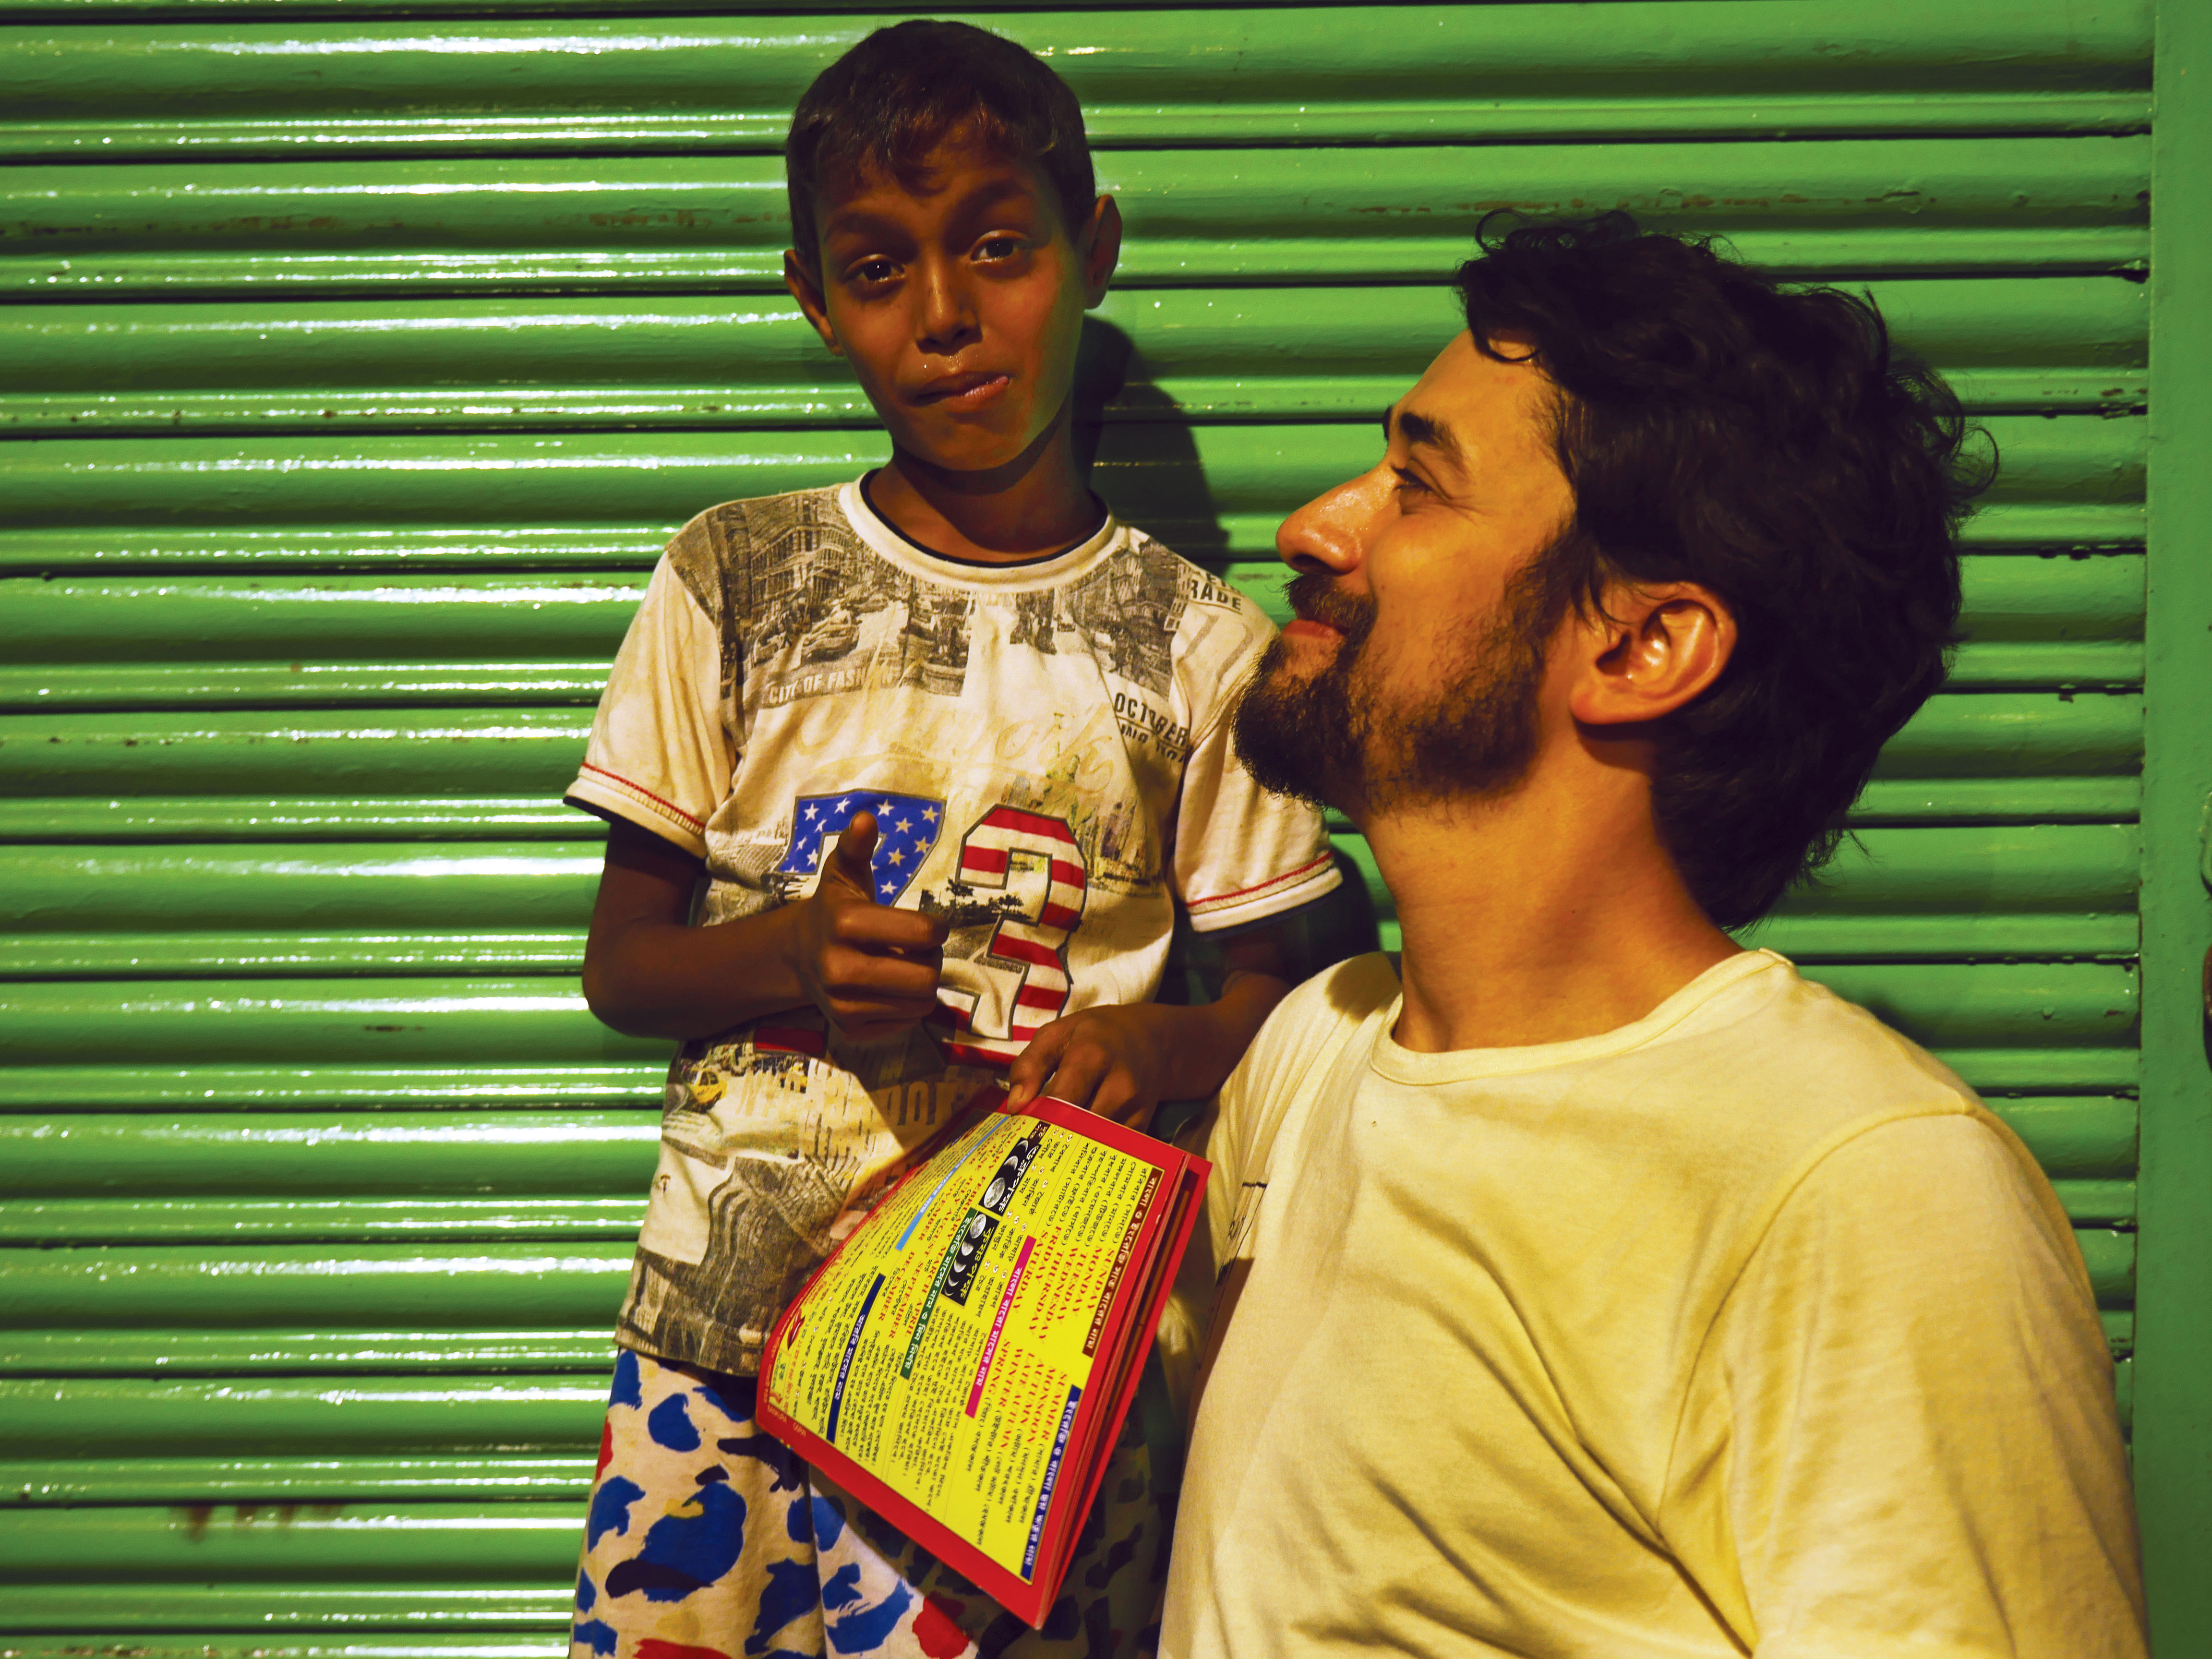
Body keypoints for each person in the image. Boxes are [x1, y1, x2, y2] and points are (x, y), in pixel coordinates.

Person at [1163, 214, 2147, 1658]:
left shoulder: (1863, 1192)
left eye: (1417, 490)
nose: (1314, 528)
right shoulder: (1315, 1050)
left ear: (1639, 645)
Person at [560, 21, 1342, 1659]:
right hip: (729, 1330)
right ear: (814, 300)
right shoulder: (734, 581)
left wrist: (1162, 1033)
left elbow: (1283, 997)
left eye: (997, 246)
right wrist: (783, 951)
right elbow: (622, 969)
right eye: (878, 266)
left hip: (1020, 1363)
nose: (944, 315)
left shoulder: (1200, 647)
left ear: (1091, 249)